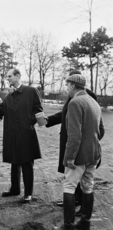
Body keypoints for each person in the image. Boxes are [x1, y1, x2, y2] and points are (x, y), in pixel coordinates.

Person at [46, 70, 104, 217]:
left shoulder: (75, 102)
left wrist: (70, 157)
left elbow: (74, 135)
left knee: (69, 186)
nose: (66, 88)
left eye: (67, 85)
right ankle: (85, 221)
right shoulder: (94, 103)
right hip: (94, 153)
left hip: (79, 155)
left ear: (72, 85)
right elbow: (99, 130)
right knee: (88, 186)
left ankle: (68, 224)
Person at [0, 68, 43, 203]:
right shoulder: (9, 96)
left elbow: (38, 110)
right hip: (11, 134)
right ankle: (15, 189)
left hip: (26, 134)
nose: (7, 78)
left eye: (9, 76)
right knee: (14, 162)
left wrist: (28, 122)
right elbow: (1, 111)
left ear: (17, 75)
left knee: (27, 163)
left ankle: (28, 193)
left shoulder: (31, 91)